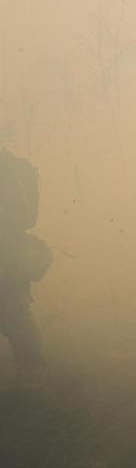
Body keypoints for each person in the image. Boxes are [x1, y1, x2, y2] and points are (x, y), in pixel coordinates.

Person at [0, 138, 52, 387]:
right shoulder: (12, 167)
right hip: (10, 249)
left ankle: (33, 380)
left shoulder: (9, 169)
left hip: (7, 249)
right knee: (17, 312)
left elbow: (18, 214)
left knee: (15, 311)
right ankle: (33, 379)